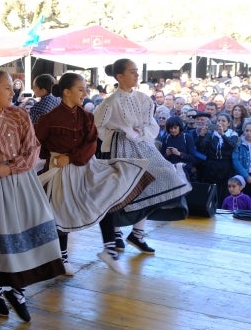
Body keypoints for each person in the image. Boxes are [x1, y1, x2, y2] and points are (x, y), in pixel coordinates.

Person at [0, 69, 65, 322]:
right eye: (7, 88)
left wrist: (13, 168)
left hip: (22, 179)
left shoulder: (19, 115)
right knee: (1, 236)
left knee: (27, 229)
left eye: (11, 87)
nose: (12, 91)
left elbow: (33, 147)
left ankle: (17, 290)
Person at [35, 73, 151, 275]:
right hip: (60, 170)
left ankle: (109, 248)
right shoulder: (49, 119)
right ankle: (62, 257)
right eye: (80, 89)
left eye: (85, 89)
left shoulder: (87, 117)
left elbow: (91, 145)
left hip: (86, 166)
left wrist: (71, 158)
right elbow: (36, 143)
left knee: (105, 197)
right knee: (61, 211)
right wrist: (52, 158)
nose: (85, 93)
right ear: (66, 92)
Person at [94, 59, 191, 254]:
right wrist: (120, 133)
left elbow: (151, 125)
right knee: (122, 191)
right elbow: (97, 125)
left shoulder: (144, 99)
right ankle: (117, 233)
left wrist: (140, 133)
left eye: (137, 71)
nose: (137, 75)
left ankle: (137, 234)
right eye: (132, 72)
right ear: (119, 76)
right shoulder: (110, 102)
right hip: (119, 147)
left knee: (158, 180)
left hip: (144, 147)